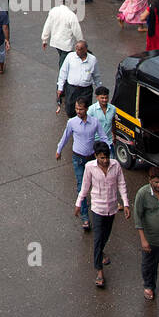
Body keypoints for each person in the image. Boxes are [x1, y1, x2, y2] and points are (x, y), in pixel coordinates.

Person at [75, 142, 129, 288]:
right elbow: (85, 187)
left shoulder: (116, 165)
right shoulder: (89, 167)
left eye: (106, 158)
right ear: (96, 156)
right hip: (97, 209)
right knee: (98, 239)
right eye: (102, 158)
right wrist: (79, 203)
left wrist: (126, 204)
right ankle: (99, 271)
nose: (105, 161)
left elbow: (122, 184)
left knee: (105, 235)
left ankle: (101, 252)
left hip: (111, 208)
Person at [56, 96, 102, 231]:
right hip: (78, 159)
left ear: (86, 109)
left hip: (91, 159)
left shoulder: (95, 122)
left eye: (80, 109)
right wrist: (59, 150)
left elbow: (103, 137)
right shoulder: (72, 122)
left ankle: (97, 210)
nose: (78, 111)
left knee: (96, 185)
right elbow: (65, 137)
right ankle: (85, 217)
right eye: (76, 108)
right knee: (82, 187)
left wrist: (107, 151)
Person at [133, 164, 159, 302]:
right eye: (156, 182)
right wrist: (143, 240)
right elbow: (138, 216)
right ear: (150, 180)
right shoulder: (143, 194)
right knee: (149, 265)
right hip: (151, 240)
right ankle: (149, 286)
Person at [57, 40, 101, 116]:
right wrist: (60, 87)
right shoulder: (70, 57)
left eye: (80, 49)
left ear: (85, 50)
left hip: (86, 90)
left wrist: (99, 89)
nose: (77, 51)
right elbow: (63, 72)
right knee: (70, 110)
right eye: (76, 48)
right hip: (72, 89)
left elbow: (96, 75)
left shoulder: (92, 60)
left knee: (84, 111)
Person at [41, 3, 83, 69]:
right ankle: (62, 77)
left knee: (63, 58)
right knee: (63, 63)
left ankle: (64, 76)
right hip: (66, 44)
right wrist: (81, 42)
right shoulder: (71, 15)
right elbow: (77, 31)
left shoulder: (53, 11)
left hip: (56, 42)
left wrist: (44, 40)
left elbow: (47, 25)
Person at [87, 86, 117, 157]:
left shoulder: (113, 109)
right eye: (102, 98)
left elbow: (113, 122)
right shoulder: (91, 110)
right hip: (95, 141)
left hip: (108, 140)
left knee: (111, 160)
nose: (104, 100)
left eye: (106, 98)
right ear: (97, 97)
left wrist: (114, 136)